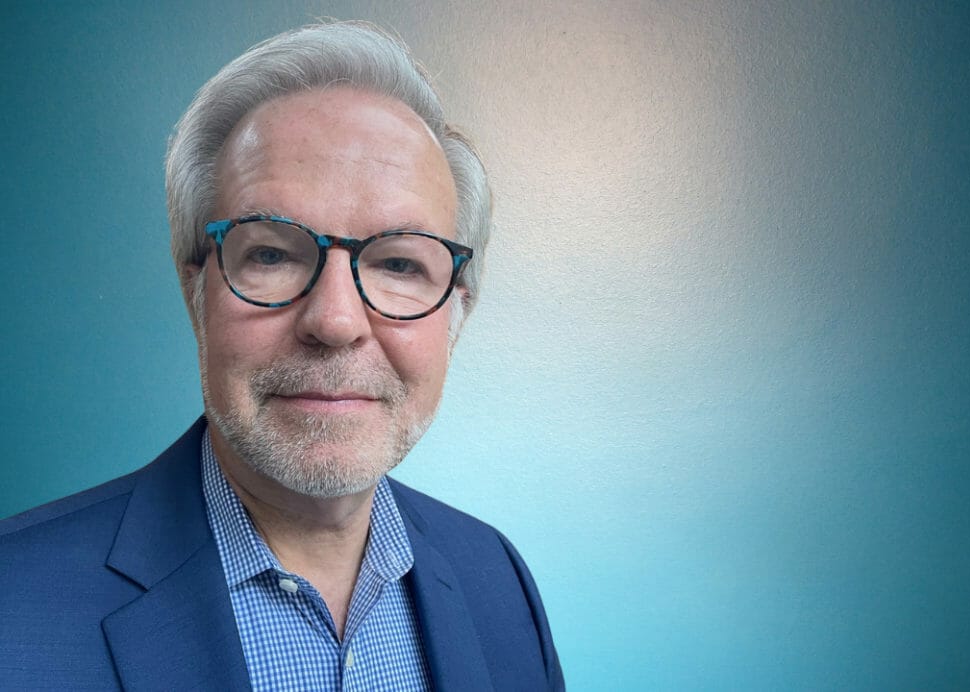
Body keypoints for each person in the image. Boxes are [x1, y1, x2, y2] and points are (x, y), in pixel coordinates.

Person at [0, 21, 564, 691]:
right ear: (195, 289)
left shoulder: (498, 578)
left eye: (399, 264)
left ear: (457, 311)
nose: (335, 321)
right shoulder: (14, 606)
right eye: (270, 254)